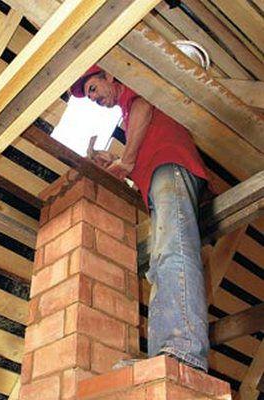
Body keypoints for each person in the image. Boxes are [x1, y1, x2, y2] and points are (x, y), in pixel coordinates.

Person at [70, 65, 210, 372]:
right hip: (156, 178)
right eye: (90, 98)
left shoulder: (131, 86)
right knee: (160, 264)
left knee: (175, 249)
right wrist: (120, 159)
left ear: (108, 76)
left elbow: (145, 106)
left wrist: (127, 159)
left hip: (169, 165)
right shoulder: (125, 114)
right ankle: (165, 355)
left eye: (93, 89)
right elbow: (136, 145)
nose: (95, 99)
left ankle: (183, 350)